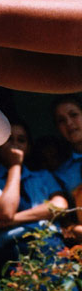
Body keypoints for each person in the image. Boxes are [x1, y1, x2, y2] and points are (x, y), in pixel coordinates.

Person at [0, 120, 67, 275]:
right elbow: (6, 211)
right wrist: (15, 166)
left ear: (28, 148)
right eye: (9, 139)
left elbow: (60, 205)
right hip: (13, 250)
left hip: (49, 243)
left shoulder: (42, 176)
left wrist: (9, 222)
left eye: (21, 140)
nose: (15, 145)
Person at [52, 95, 82, 241]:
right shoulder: (61, 173)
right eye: (61, 121)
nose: (69, 123)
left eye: (74, 115)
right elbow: (67, 221)